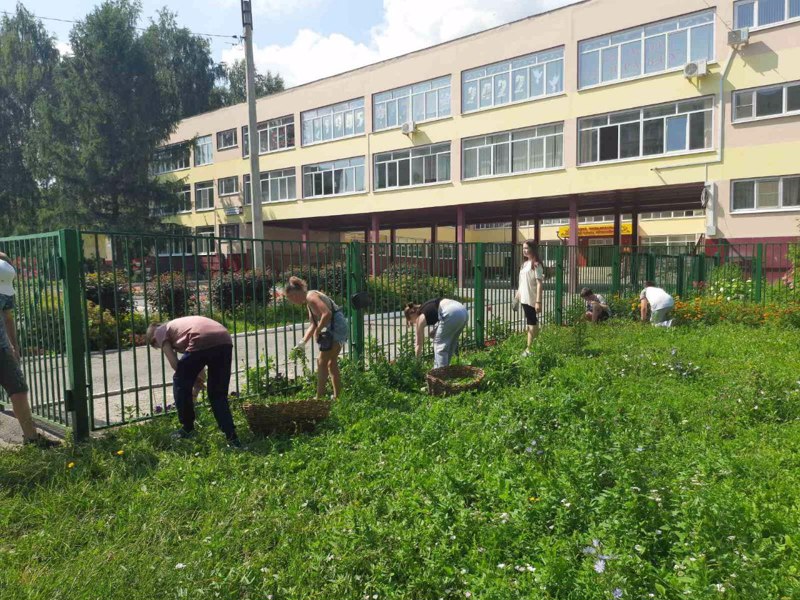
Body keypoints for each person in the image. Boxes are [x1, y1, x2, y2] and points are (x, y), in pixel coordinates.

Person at [146, 316, 241, 447]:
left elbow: (176, 365)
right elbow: (199, 367)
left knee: (179, 380)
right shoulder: (180, 329)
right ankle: (232, 437)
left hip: (200, 338)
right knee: (218, 394)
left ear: (154, 340)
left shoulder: (159, 332)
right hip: (224, 338)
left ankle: (187, 428)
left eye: (158, 346)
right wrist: (196, 386)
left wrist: (192, 381)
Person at [0, 252, 59, 448]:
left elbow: (7, 317)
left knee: (19, 390)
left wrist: (14, 346)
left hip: (2, 349)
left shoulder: (5, 287)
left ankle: (32, 439)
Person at [286, 277, 349, 400]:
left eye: (293, 296)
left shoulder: (311, 297)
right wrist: (303, 342)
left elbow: (327, 313)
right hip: (337, 325)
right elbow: (313, 324)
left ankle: (319, 397)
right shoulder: (309, 303)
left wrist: (319, 331)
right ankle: (338, 396)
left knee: (321, 361)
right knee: (331, 362)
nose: (293, 301)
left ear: (299, 291)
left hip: (337, 326)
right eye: (290, 299)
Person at [404, 298, 468, 369]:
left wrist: (416, 362)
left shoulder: (420, 318)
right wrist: (435, 332)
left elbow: (418, 344)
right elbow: (444, 320)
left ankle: (439, 373)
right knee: (451, 342)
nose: (415, 324)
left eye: (412, 322)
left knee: (439, 345)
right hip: (462, 310)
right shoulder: (425, 307)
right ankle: (446, 369)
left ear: (412, 314)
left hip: (451, 312)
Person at [516, 240, 543, 356]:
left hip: (531, 298)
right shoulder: (524, 264)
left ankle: (529, 349)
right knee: (531, 322)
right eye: (523, 248)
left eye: (526, 248)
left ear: (533, 249)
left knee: (531, 322)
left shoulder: (536, 264)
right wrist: (516, 297)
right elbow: (521, 283)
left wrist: (538, 301)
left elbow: (539, 283)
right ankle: (534, 346)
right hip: (523, 298)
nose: (524, 250)